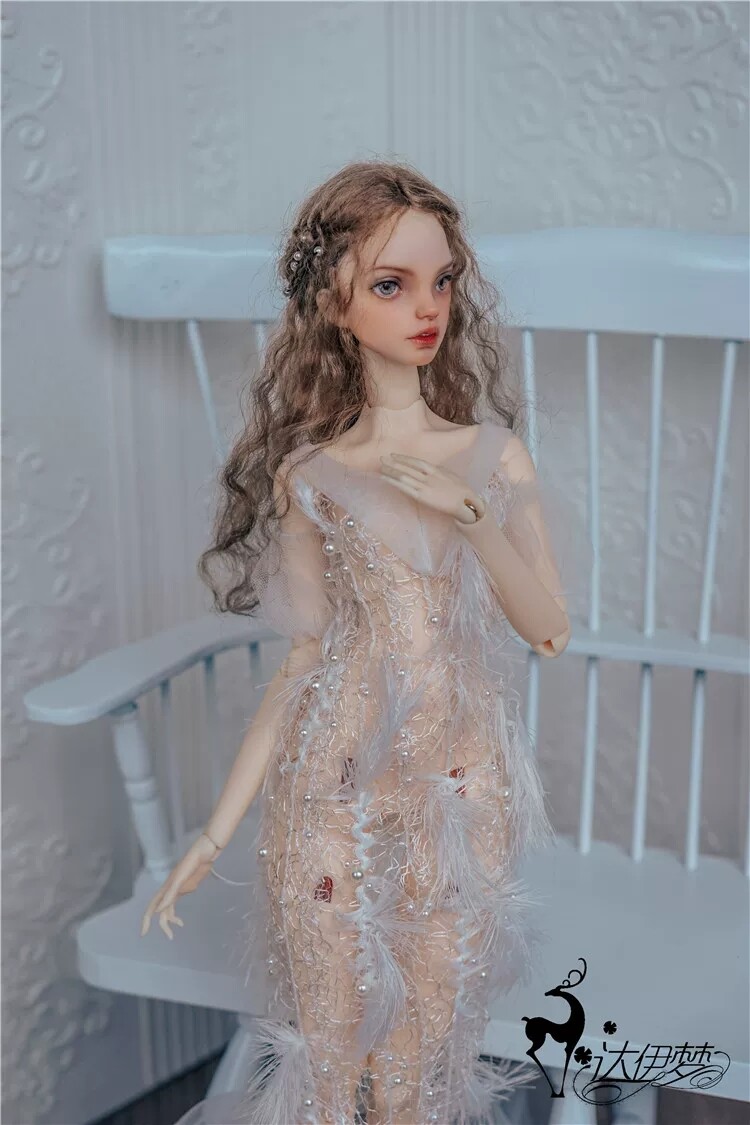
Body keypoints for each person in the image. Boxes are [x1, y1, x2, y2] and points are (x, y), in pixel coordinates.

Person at [141, 159, 571, 1125]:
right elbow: (304, 658)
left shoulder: (492, 457)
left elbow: (549, 629)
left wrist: (475, 520)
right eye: (391, 284)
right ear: (333, 305)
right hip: (330, 777)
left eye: (442, 280)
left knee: (421, 1069)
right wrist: (214, 834)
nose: (427, 308)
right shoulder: (312, 474)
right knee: (330, 1061)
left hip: (455, 784)